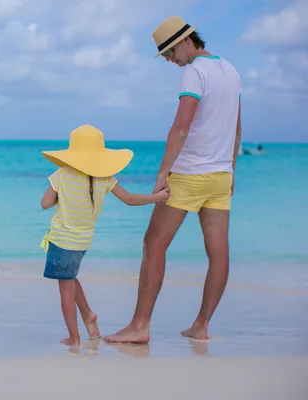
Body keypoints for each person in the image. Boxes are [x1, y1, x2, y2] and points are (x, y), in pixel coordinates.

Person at [104, 16, 242, 344]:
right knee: (218, 252)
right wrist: (231, 169)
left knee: (154, 243)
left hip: (190, 174)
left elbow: (181, 127)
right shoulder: (231, 71)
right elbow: (236, 129)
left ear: (186, 40)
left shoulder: (194, 72)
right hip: (221, 175)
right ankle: (201, 326)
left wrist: (162, 172)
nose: (168, 59)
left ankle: (140, 326)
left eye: (168, 51)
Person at [39, 124, 170, 349]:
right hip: (83, 241)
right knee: (69, 277)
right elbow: (129, 199)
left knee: (65, 291)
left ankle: (74, 338)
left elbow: (45, 204)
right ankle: (88, 315)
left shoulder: (61, 174)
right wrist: (156, 197)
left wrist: (63, 197)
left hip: (62, 240)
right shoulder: (105, 178)